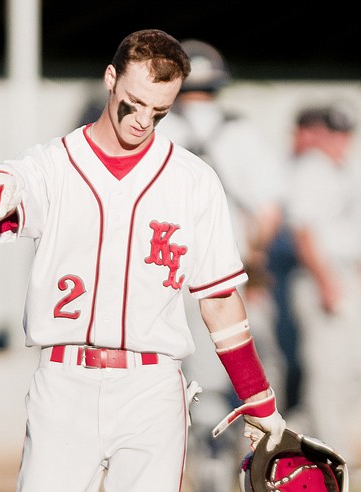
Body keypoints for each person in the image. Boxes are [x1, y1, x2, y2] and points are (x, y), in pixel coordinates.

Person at [0, 29, 286, 491]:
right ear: (110, 77)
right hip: (64, 381)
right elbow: (5, 202)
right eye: (134, 103)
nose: (142, 120)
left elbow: (220, 300)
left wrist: (260, 403)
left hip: (153, 386)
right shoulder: (52, 164)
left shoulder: (193, 180)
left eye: (159, 111)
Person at [154, 39, 288, 490]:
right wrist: (254, 257)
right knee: (253, 371)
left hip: (173, 279)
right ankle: (251, 462)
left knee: (194, 380)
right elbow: (269, 212)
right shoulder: (242, 133)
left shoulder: (156, 133)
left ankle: (205, 462)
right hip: (235, 277)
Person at [283, 102, 361, 468]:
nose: (339, 142)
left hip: (345, 273)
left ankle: (336, 448)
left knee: (348, 368)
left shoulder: (342, 169)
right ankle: (326, 454)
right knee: (327, 370)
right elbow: (304, 231)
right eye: (334, 134)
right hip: (321, 275)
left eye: (344, 135)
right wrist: (327, 281)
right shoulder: (312, 168)